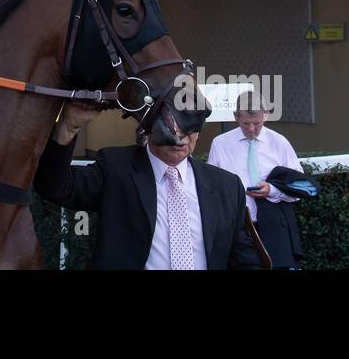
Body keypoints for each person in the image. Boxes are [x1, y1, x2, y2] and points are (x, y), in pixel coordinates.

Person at [33, 101, 264, 269]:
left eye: (189, 127)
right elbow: (55, 186)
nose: (179, 136)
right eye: (170, 126)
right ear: (148, 128)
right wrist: (67, 127)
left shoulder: (226, 186)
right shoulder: (116, 169)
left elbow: (243, 257)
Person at [207, 92, 306, 268]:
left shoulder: (279, 143)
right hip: (238, 227)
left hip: (275, 225)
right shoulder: (220, 144)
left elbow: (300, 187)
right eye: (246, 124)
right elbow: (212, 190)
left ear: (265, 116)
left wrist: (272, 190)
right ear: (236, 117)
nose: (251, 129)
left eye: (257, 124)